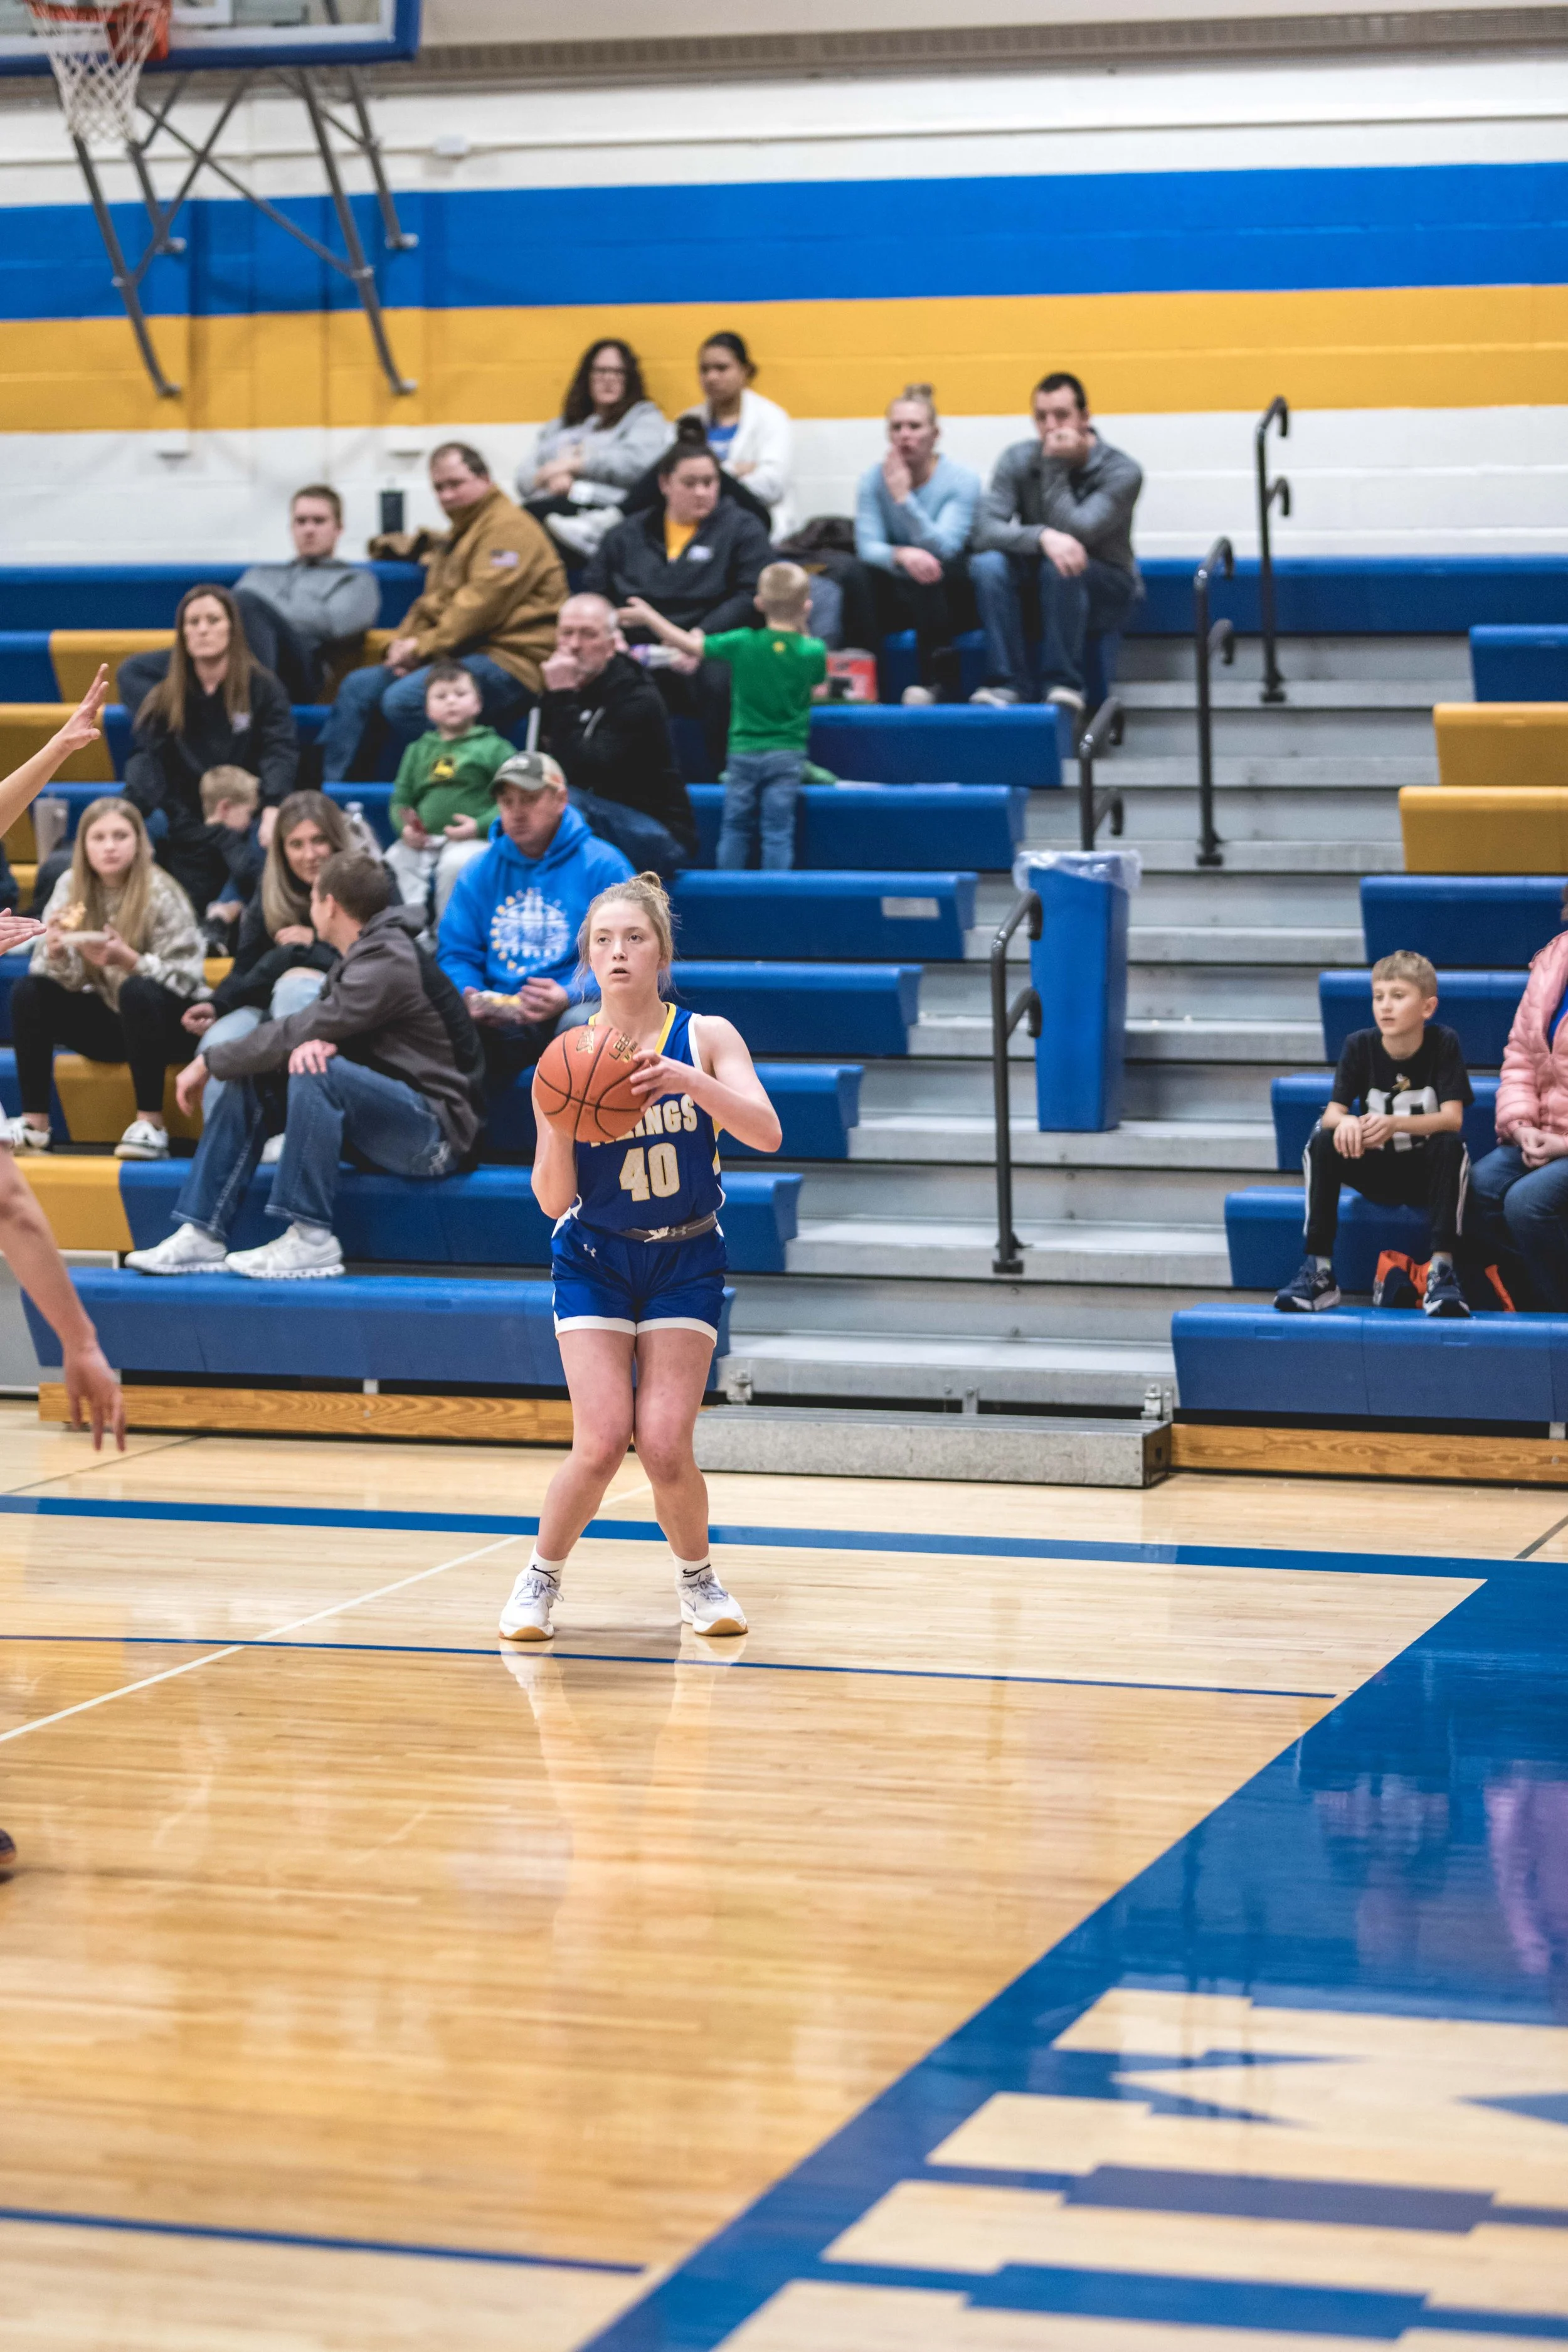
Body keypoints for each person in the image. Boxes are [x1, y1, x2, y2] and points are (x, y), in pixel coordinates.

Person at [497, 872, 781, 1645]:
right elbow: (553, 1200)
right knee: (598, 1443)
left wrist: (689, 1081)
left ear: (661, 953)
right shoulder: (566, 1056)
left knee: (662, 1443)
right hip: (594, 1256)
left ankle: (699, 1582)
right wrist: (560, 1120)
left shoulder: (707, 1036)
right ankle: (538, 1581)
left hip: (685, 1258)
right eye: (603, 941)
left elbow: (767, 1132)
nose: (618, 952)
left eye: (634, 938)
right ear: (586, 960)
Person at [125, 852, 480, 1283]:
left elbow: (302, 1027)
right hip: (393, 1117)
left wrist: (208, 1061)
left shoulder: (389, 959)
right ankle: (202, 1230)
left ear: (328, 904)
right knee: (258, 1076)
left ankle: (311, 1238)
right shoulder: (371, 950)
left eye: (313, 898)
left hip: (437, 1135)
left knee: (312, 1064)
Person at [323, 443, 565, 783]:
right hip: (459, 653)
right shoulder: (460, 535)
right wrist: (402, 645)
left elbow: (478, 607)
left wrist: (420, 649)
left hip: (513, 661)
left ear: (485, 479)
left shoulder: (509, 528)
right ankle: (337, 798)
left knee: (405, 699)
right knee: (359, 687)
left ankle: (455, 786)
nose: (447, 495)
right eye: (439, 487)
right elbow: (432, 603)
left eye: (456, 483)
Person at [8, 797, 209, 1163]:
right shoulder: (71, 887)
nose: (110, 846)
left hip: (170, 1027)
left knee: (137, 990)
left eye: (120, 836)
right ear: (83, 845)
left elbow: (189, 980)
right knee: (28, 991)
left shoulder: (162, 890)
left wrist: (130, 961)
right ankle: (36, 1126)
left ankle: (151, 1124)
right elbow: (50, 977)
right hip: (113, 1024)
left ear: (139, 841)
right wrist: (56, 953)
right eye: (98, 837)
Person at [1274, 951, 1473, 1319]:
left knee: (1452, 1146)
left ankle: (1441, 1272)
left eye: (1398, 996)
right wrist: (1347, 1121)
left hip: (1424, 1174)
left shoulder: (1444, 1042)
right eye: (1379, 996)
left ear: (1427, 1007)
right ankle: (1320, 1272)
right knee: (1322, 1137)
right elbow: (1334, 1113)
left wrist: (1394, 1123)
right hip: (1377, 1170)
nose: (1386, 1006)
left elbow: (1453, 1118)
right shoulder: (1359, 1045)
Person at [438, 751, 633, 1094]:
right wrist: (468, 994)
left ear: (560, 800)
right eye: (507, 801)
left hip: (577, 1006)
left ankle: (586, 1146)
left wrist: (569, 994)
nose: (516, 812)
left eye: (529, 799)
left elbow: (633, 959)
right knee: (445, 1026)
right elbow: (457, 953)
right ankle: (458, 1144)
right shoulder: (479, 869)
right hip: (504, 1012)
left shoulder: (605, 866)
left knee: (582, 1026)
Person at [583, 426, 773, 778]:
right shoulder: (625, 535)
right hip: (639, 647)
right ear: (665, 484)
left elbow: (750, 595)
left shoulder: (743, 529)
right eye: (691, 483)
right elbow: (595, 594)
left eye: (710, 482)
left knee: (722, 679)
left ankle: (729, 776)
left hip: (711, 643)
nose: (703, 492)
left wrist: (700, 639)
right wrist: (613, 636)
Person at [627, 561, 825, 872]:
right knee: (778, 830)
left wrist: (649, 617)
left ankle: (730, 888)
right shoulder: (813, 650)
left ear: (759, 603)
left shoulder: (742, 642)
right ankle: (778, 894)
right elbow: (819, 688)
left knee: (735, 826)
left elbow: (691, 644)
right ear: (807, 606)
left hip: (743, 751)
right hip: (787, 753)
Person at [117, 487, 381, 715]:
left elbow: (337, 623)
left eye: (318, 521)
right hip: (231, 659)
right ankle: (190, 736)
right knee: (134, 671)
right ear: (291, 528)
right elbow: (228, 616)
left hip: (300, 673)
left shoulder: (356, 580)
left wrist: (266, 613)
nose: (309, 529)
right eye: (301, 521)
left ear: (339, 529)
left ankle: (248, 717)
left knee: (248, 605)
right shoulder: (261, 574)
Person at [971, 371, 1143, 715]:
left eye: (1062, 415)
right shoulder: (1017, 459)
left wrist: (1054, 467)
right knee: (987, 564)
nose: (1051, 426)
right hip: (1044, 579)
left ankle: (1063, 683)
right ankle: (1007, 683)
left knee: (1063, 561)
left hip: (1107, 586)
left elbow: (1079, 532)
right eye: (1041, 417)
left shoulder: (1122, 471)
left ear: (1085, 417)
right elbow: (983, 532)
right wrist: (1041, 536)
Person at [182, 788, 351, 1132]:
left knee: (294, 989)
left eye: (319, 840)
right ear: (281, 849)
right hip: (269, 1006)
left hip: (344, 1009)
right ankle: (224, 1159)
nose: (310, 855)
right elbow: (246, 966)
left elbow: (379, 965)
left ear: (336, 840)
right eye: (296, 844)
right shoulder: (269, 889)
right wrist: (217, 1006)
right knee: (217, 1043)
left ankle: (298, 1134)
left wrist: (314, 944)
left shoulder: (365, 880)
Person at [122, 585, 298, 903]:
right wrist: (192, 821)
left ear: (232, 628)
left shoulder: (263, 687)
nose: (203, 630)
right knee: (138, 828)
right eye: (193, 622)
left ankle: (232, 920)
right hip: (187, 813)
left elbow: (280, 749)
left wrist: (271, 806)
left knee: (271, 837)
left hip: (248, 807)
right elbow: (153, 762)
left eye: (213, 620)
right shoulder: (166, 696)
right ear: (183, 633)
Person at [539, 592, 695, 880]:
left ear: (611, 646)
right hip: (594, 819)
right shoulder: (557, 687)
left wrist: (563, 696)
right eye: (567, 633)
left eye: (588, 635)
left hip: (657, 834)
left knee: (564, 804)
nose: (574, 645)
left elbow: (582, 769)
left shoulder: (638, 695)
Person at [850, 384, 980, 702]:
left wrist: (905, 500)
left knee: (931, 569)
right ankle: (867, 685)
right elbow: (868, 547)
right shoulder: (871, 480)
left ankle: (937, 684)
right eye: (897, 427)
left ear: (935, 434)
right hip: (898, 588)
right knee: (855, 574)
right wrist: (902, 554)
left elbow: (946, 547)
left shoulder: (962, 481)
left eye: (915, 427)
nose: (905, 435)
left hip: (949, 591)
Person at [1470, 925, 1568, 1311]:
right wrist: (1522, 1127)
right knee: (1478, 1187)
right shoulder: (1555, 958)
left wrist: (1563, 1145)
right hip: (1543, 1132)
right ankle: (1528, 1302)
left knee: (1527, 1203)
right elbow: (1521, 1057)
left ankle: (1557, 1318)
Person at [384, 662, 514, 922]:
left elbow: (512, 800)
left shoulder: (495, 747)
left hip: (471, 840)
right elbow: (401, 799)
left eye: (460, 694)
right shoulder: (417, 750)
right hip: (424, 842)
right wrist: (405, 829)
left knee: (456, 865)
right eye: (441, 696)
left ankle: (451, 939)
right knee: (393, 860)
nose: (451, 702)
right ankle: (411, 936)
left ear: (478, 703)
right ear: (428, 709)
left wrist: (478, 826)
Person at [517, 339, 667, 563]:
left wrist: (576, 465)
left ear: (629, 379)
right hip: (547, 504)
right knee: (511, 525)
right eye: (601, 371)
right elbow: (523, 479)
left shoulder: (644, 418)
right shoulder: (560, 426)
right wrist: (550, 475)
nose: (608, 379)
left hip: (602, 510)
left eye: (618, 372)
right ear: (587, 376)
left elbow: (639, 465)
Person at [682, 330, 793, 534]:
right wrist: (734, 469)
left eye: (722, 368)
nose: (711, 377)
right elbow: (672, 482)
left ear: (746, 371)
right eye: (704, 370)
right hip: (696, 525)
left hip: (752, 521)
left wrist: (705, 483)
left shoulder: (772, 418)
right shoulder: (687, 422)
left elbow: (772, 484)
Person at [193, 765, 265, 950]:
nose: (249, 820)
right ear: (225, 808)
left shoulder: (189, 834)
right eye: (248, 812)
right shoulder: (228, 839)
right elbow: (249, 872)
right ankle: (217, 923)